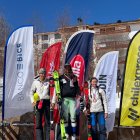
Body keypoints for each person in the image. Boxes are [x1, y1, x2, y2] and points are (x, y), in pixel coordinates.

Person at [59, 63, 79, 140]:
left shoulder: (74, 77)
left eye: (68, 68)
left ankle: (74, 134)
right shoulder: (61, 77)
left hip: (72, 99)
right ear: (64, 69)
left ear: (70, 68)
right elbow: (57, 87)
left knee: (73, 116)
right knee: (65, 117)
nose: (67, 69)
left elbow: (77, 87)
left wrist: (79, 94)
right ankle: (67, 133)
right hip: (64, 99)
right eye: (66, 68)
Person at [30, 68, 50, 140]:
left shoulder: (48, 81)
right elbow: (31, 93)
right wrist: (33, 101)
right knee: (38, 123)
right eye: (41, 73)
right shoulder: (35, 82)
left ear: (45, 74)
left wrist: (53, 101)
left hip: (47, 102)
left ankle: (48, 138)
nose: (42, 75)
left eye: (44, 73)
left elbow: (53, 91)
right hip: (38, 103)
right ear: (39, 74)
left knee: (48, 123)